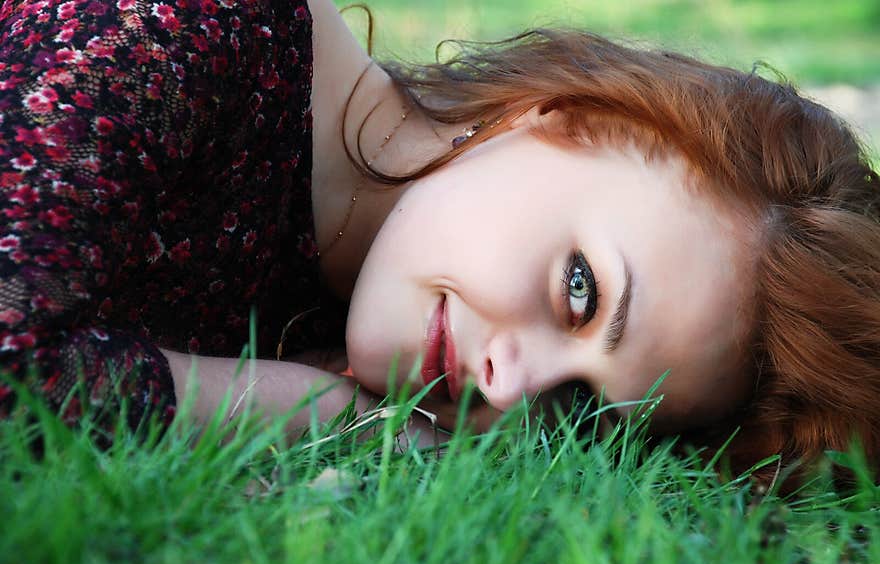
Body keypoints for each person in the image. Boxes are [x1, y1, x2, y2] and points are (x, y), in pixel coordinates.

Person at [1, 0, 878, 488]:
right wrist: (317, 411)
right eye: (581, 291)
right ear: (562, 117)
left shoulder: (351, 285)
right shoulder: (181, 28)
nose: (510, 383)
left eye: (578, 406)